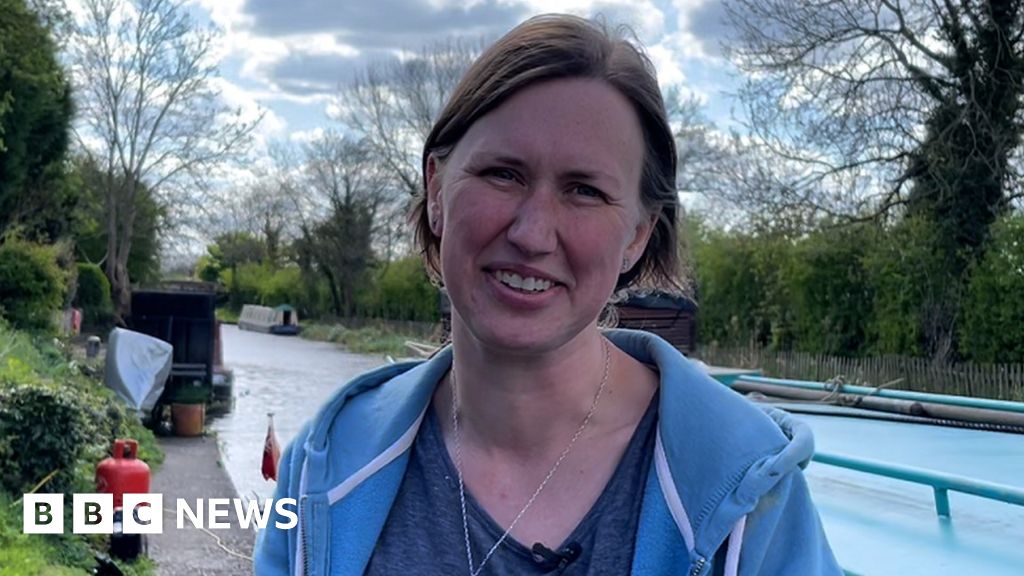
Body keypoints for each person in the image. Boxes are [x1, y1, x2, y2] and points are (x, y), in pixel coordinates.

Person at [254, 14, 841, 576]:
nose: (532, 233)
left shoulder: (749, 490)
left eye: (584, 190)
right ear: (437, 191)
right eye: (502, 174)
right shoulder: (323, 466)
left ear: (638, 234)